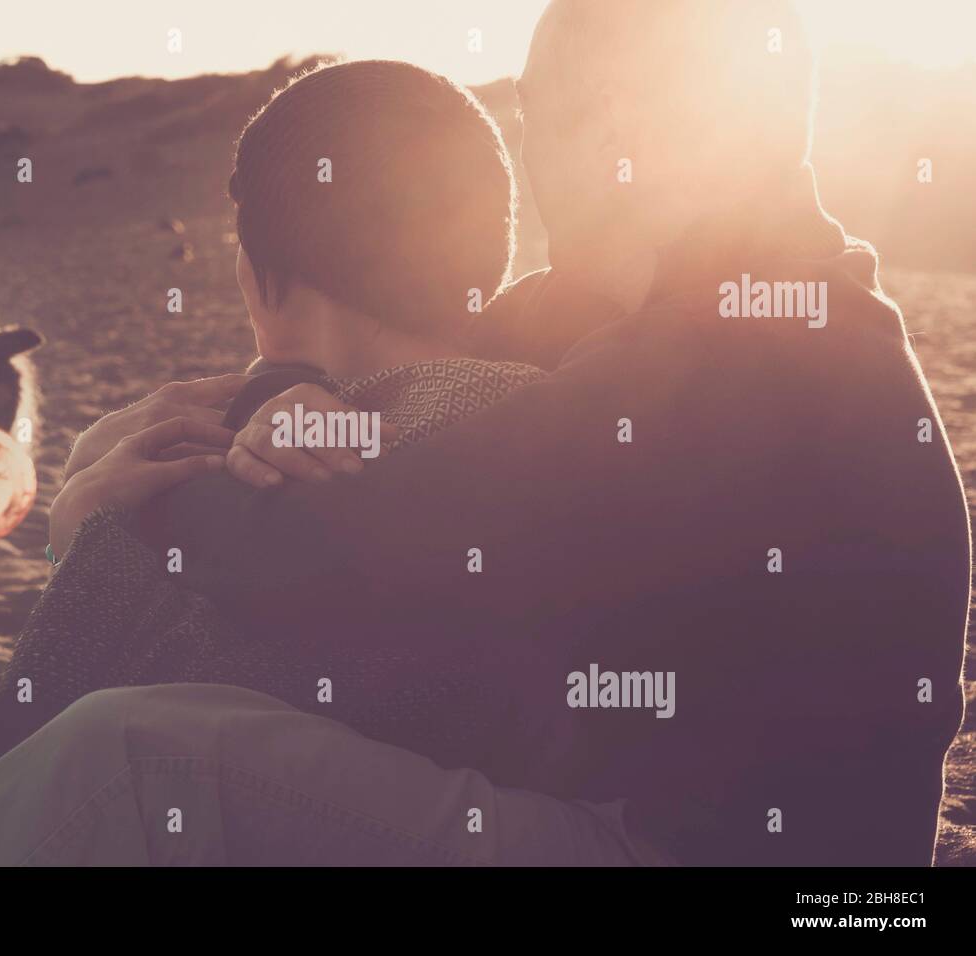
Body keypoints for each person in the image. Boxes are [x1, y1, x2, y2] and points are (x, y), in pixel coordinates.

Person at [131, 0, 971, 865]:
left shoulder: (754, 355)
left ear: (615, 124)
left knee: (137, 757)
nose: (525, 152)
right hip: (640, 823)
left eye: (531, 110)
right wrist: (291, 392)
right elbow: (400, 375)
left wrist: (137, 500)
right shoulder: (658, 309)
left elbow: (310, 552)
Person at [0, 59, 555, 805]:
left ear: (258, 274)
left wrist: (83, 536)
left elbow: (31, 750)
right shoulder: (495, 417)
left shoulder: (289, 460)